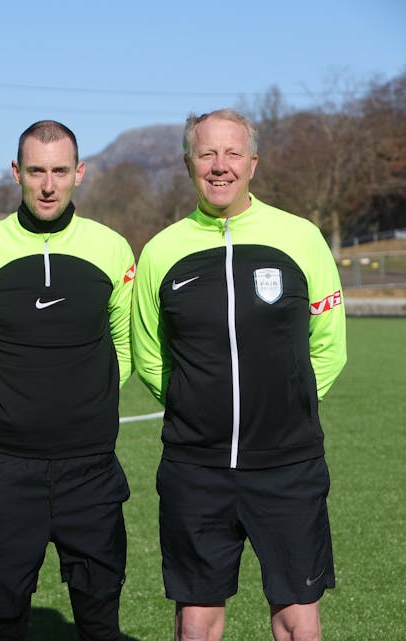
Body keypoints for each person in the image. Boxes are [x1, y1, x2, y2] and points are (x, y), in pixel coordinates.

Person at [130, 109, 347, 641]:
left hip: (287, 463)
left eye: (232, 154)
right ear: (188, 164)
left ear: (253, 162)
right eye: (207, 154)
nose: (219, 166)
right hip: (195, 467)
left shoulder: (301, 237)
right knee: (196, 622)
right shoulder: (162, 251)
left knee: (297, 616)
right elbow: (150, 355)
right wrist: (195, 403)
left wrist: (284, 404)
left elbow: (329, 345)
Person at [0, 120, 136, 641]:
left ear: (80, 173)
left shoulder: (113, 249)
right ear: (17, 173)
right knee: (5, 621)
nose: (48, 184)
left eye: (59, 171)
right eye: (36, 171)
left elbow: (124, 344)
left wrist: (85, 403)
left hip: (91, 468)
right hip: (6, 472)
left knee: (100, 622)